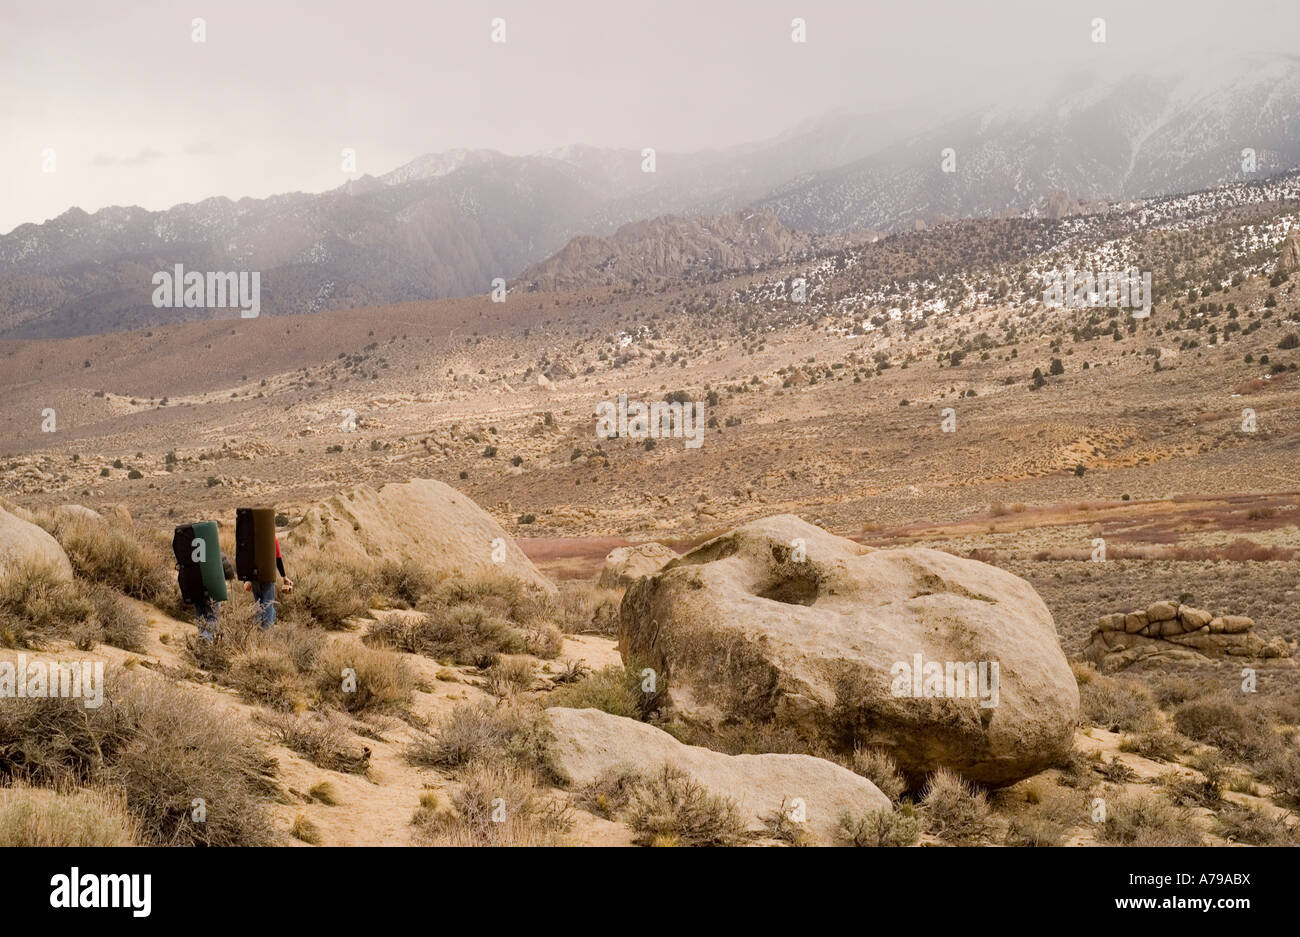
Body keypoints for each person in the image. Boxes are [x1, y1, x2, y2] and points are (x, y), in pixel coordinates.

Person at [248, 536, 293, 628]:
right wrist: (284, 577)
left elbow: (245, 558)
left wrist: (246, 579)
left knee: (258, 604)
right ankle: (266, 634)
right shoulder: (271, 536)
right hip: (268, 577)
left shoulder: (250, 537)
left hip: (254, 577)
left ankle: (255, 630)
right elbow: (278, 559)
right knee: (268, 605)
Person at [192, 552, 235, 642]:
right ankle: (206, 637)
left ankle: (202, 637)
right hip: (212, 590)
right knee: (212, 616)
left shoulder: (192, 551)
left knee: (200, 616)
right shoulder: (214, 549)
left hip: (195, 588)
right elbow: (229, 572)